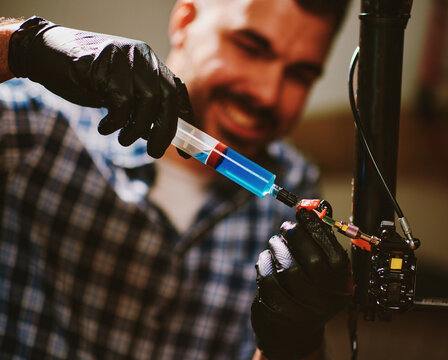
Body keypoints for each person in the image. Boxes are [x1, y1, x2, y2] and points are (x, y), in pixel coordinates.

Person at [0, 0, 352, 358]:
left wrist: (290, 348)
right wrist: (21, 46)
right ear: (184, 21)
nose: (267, 93)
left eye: (300, 74)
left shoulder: (298, 186)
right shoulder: (41, 120)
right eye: (250, 47)